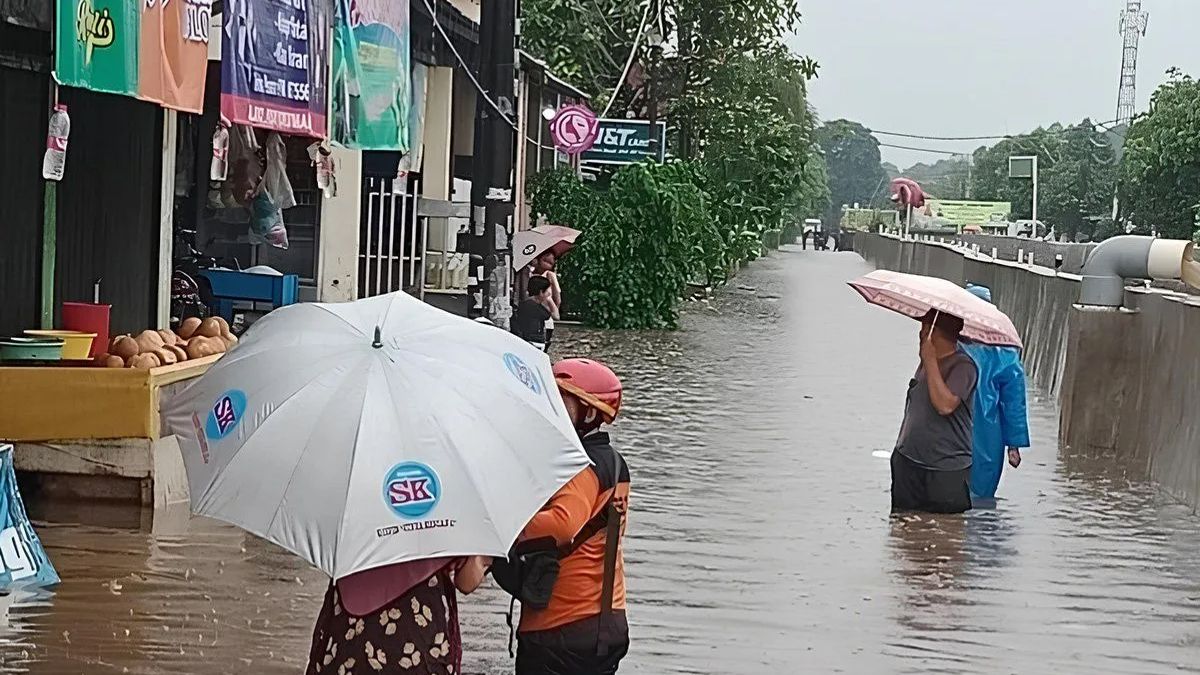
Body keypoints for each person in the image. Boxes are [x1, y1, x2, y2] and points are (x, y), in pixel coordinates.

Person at [516, 358, 630, 675]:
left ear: (590, 412)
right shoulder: (613, 462)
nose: (550, 409)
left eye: (560, 401)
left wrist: (503, 523)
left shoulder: (579, 465)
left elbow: (561, 526)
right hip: (607, 617)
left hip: (562, 624)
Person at [306, 556, 490, 674]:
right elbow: (466, 582)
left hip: (353, 618)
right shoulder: (446, 504)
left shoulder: (353, 501)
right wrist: (480, 555)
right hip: (419, 627)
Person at [891, 310, 979, 514]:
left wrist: (930, 361)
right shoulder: (925, 364)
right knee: (904, 532)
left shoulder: (963, 367)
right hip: (908, 462)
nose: (920, 335)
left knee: (943, 534)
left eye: (924, 329)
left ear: (934, 333)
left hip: (945, 469)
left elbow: (945, 405)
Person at [959, 284, 1030, 501]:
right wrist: (1013, 445)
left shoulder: (950, 346)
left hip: (955, 429)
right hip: (989, 435)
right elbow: (1013, 404)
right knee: (981, 495)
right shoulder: (1005, 353)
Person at [514, 276, 558, 351]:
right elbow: (556, 316)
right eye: (547, 290)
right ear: (541, 292)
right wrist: (550, 300)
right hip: (532, 342)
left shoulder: (528, 304)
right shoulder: (533, 306)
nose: (549, 293)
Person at [531, 253, 562, 350]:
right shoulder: (529, 273)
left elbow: (557, 299)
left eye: (550, 263)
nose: (548, 265)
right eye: (545, 261)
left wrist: (552, 307)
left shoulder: (550, 276)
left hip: (546, 317)